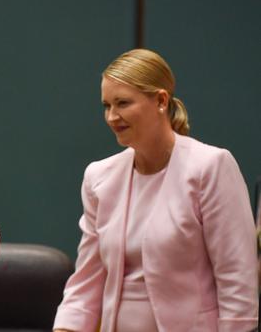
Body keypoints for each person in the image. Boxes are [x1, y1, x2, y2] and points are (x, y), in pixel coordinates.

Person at [53, 49, 258, 332]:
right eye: (106, 105)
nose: (112, 116)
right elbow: (86, 282)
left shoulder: (211, 167)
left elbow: (237, 280)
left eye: (123, 103)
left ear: (161, 101)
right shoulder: (99, 176)